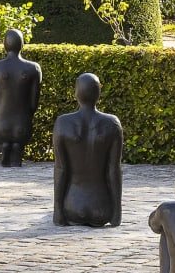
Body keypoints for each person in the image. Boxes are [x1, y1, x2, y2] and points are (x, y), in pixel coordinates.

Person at [52, 73, 122, 227]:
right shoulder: (112, 123)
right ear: (98, 94)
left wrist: (58, 212)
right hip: (102, 208)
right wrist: (117, 213)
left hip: (73, 206)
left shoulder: (63, 123)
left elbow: (61, 169)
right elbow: (113, 170)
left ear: (76, 93)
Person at [0, 29, 42, 167]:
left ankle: (4, 147)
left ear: (5, 44)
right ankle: (17, 146)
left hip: (0, 125)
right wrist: (27, 117)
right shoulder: (33, 68)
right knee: (19, 135)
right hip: (22, 126)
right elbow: (33, 104)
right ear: (22, 45)